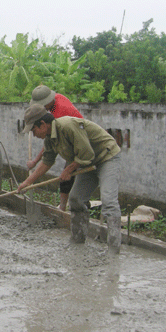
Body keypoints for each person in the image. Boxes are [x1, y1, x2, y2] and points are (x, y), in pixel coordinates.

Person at [17, 104, 122, 254]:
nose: (34, 135)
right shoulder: (49, 139)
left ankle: (114, 250)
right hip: (87, 163)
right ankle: (77, 242)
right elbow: (47, 161)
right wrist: (27, 182)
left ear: (43, 124)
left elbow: (86, 152)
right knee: (75, 199)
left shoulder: (67, 126)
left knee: (109, 201)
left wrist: (69, 169)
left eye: (34, 130)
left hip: (107, 157)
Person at [27, 85, 84, 211]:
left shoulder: (59, 115)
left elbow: (50, 147)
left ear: (46, 102)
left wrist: (35, 162)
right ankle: (63, 206)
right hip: (73, 140)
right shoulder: (57, 98)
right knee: (66, 177)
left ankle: (64, 207)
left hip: (79, 142)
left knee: (67, 176)